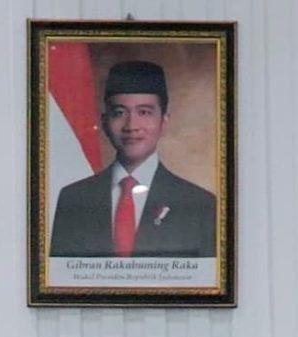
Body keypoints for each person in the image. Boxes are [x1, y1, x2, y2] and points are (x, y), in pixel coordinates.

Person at [46, 59, 219, 259]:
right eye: (119, 113)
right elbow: (60, 274)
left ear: (163, 121)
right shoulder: (73, 199)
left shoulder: (199, 205)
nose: (131, 125)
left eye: (144, 112)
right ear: (104, 121)